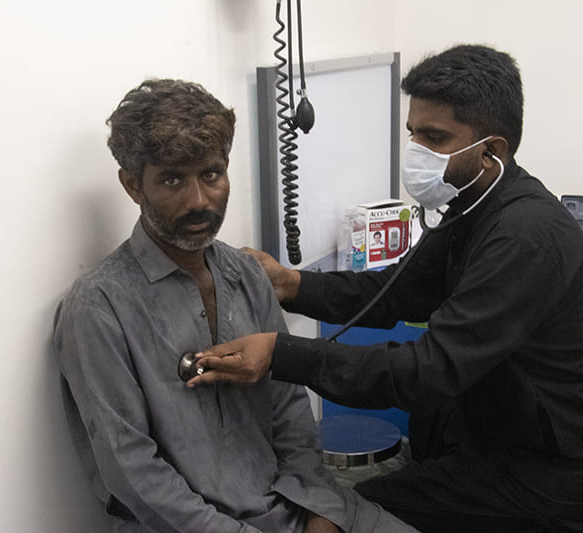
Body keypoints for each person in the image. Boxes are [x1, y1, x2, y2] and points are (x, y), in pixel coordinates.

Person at [189, 45, 583, 532]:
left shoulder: (525, 237)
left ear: (492, 151)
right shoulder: (472, 204)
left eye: (435, 138)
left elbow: (428, 371)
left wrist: (281, 355)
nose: (416, 151)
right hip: (509, 432)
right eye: (413, 133)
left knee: (349, 516)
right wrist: (292, 284)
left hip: (567, 476)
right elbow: (396, 291)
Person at [53, 79, 417, 533]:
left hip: (291, 505)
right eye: (172, 180)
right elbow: (133, 474)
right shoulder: (98, 307)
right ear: (132, 185)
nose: (198, 200)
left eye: (211, 175)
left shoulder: (246, 275)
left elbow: (290, 412)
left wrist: (321, 509)